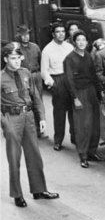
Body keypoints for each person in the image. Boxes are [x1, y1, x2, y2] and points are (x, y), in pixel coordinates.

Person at [1, 43, 59, 207]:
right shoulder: (1, 78)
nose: (17, 61)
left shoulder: (26, 73)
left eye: (18, 58)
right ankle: (17, 194)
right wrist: (5, 122)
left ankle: (39, 190)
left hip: (28, 117)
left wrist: (41, 117)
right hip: (11, 118)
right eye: (13, 58)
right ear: (6, 59)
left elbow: (36, 97)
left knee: (34, 154)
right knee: (14, 157)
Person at [64, 30, 104, 168]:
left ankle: (92, 151)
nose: (81, 42)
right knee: (83, 125)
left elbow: (94, 76)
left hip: (91, 91)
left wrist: (99, 93)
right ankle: (83, 155)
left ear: (87, 42)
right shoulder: (69, 58)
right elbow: (69, 80)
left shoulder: (88, 56)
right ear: (74, 42)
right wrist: (75, 98)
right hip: (79, 93)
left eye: (84, 40)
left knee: (94, 123)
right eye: (78, 40)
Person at [40, 22, 75, 151]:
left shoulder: (70, 47)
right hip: (57, 80)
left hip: (70, 79)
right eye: (58, 32)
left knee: (74, 110)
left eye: (63, 32)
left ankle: (75, 137)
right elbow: (44, 71)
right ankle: (58, 140)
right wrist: (53, 84)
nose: (61, 34)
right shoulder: (47, 50)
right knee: (59, 113)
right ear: (53, 34)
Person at [14, 24, 46, 139]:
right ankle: (26, 131)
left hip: (36, 75)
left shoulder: (35, 47)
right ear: (19, 36)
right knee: (25, 102)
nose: (25, 37)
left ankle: (39, 129)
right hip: (23, 77)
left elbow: (42, 61)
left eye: (27, 34)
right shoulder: (17, 49)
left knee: (38, 101)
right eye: (23, 35)